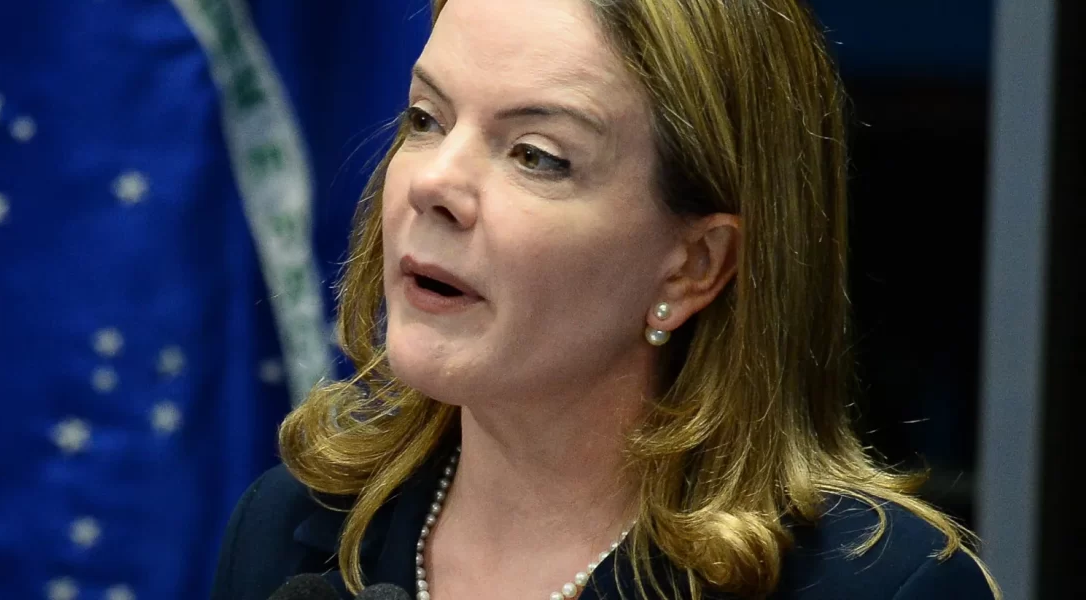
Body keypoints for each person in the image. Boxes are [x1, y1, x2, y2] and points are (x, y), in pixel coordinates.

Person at [210, 0, 1000, 598]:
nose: (434, 182)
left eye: (535, 155)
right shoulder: (290, 532)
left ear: (693, 265)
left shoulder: (881, 587)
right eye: (426, 118)